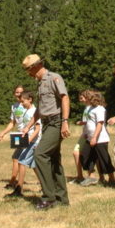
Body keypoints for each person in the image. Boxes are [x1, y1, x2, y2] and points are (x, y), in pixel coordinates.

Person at [19, 54, 71, 210]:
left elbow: (65, 98)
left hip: (56, 122)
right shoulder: (40, 83)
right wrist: (28, 126)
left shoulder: (54, 78)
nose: (28, 73)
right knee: (54, 160)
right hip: (47, 123)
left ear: (34, 67)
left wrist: (65, 122)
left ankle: (49, 198)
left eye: (28, 70)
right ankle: (62, 199)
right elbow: (40, 109)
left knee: (40, 155)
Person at [5, 90, 42, 198]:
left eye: (23, 101)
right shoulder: (26, 111)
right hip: (26, 140)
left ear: (30, 100)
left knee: (21, 161)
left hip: (33, 142)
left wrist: (29, 140)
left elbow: (37, 129)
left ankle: (18, 189)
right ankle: (45, 186)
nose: (21, 104)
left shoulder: (34, 111)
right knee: (34, 165)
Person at [79, 90, 115, 187]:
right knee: (85, 155)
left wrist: (95, 137)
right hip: (89, 138)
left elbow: (100, 124)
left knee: (104, 159)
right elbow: (88, 122)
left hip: (100, 139)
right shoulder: (89, 108)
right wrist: (86, 134)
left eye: (93, 98)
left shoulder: (100, 109)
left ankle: (112, 179)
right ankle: (91, 176)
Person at [0, 85, 26, 189]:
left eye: (21, 92)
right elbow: (12, 123)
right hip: (18, 135)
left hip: (27, 134)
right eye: (17, 92)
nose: (19, 94)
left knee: (18, 158)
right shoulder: (14, 106)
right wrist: (3, 133)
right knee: (17, 158)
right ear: (14, 94)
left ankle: (13, 182)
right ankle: (13, 182)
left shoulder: (28, 105)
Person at [71, 91, 96, 185]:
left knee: (80, 153)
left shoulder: (92, 108)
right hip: (85, 133)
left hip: (88, 135)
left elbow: (92, 122)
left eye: (82, 98)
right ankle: (80, 176)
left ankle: (88, 176)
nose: (80, 100)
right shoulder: (86, 108)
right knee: (76, 153)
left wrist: (83, 124)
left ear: (87, 97)